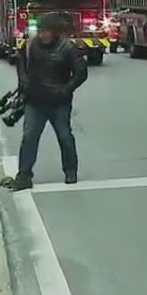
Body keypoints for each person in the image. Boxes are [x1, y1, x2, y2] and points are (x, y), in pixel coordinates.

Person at [10, 12, 88, 190]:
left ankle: (70, 170)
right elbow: (20, 60)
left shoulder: (67, 47)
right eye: (41, 31)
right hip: (35, 101)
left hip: (58, 103)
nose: (43, 35)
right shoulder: (31, 45)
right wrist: (23, 83)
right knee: (29, 137)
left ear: (56, 32)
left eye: (47, 31)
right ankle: (24, 175)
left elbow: (81, 72)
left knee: (64, 136)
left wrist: (65, 89)